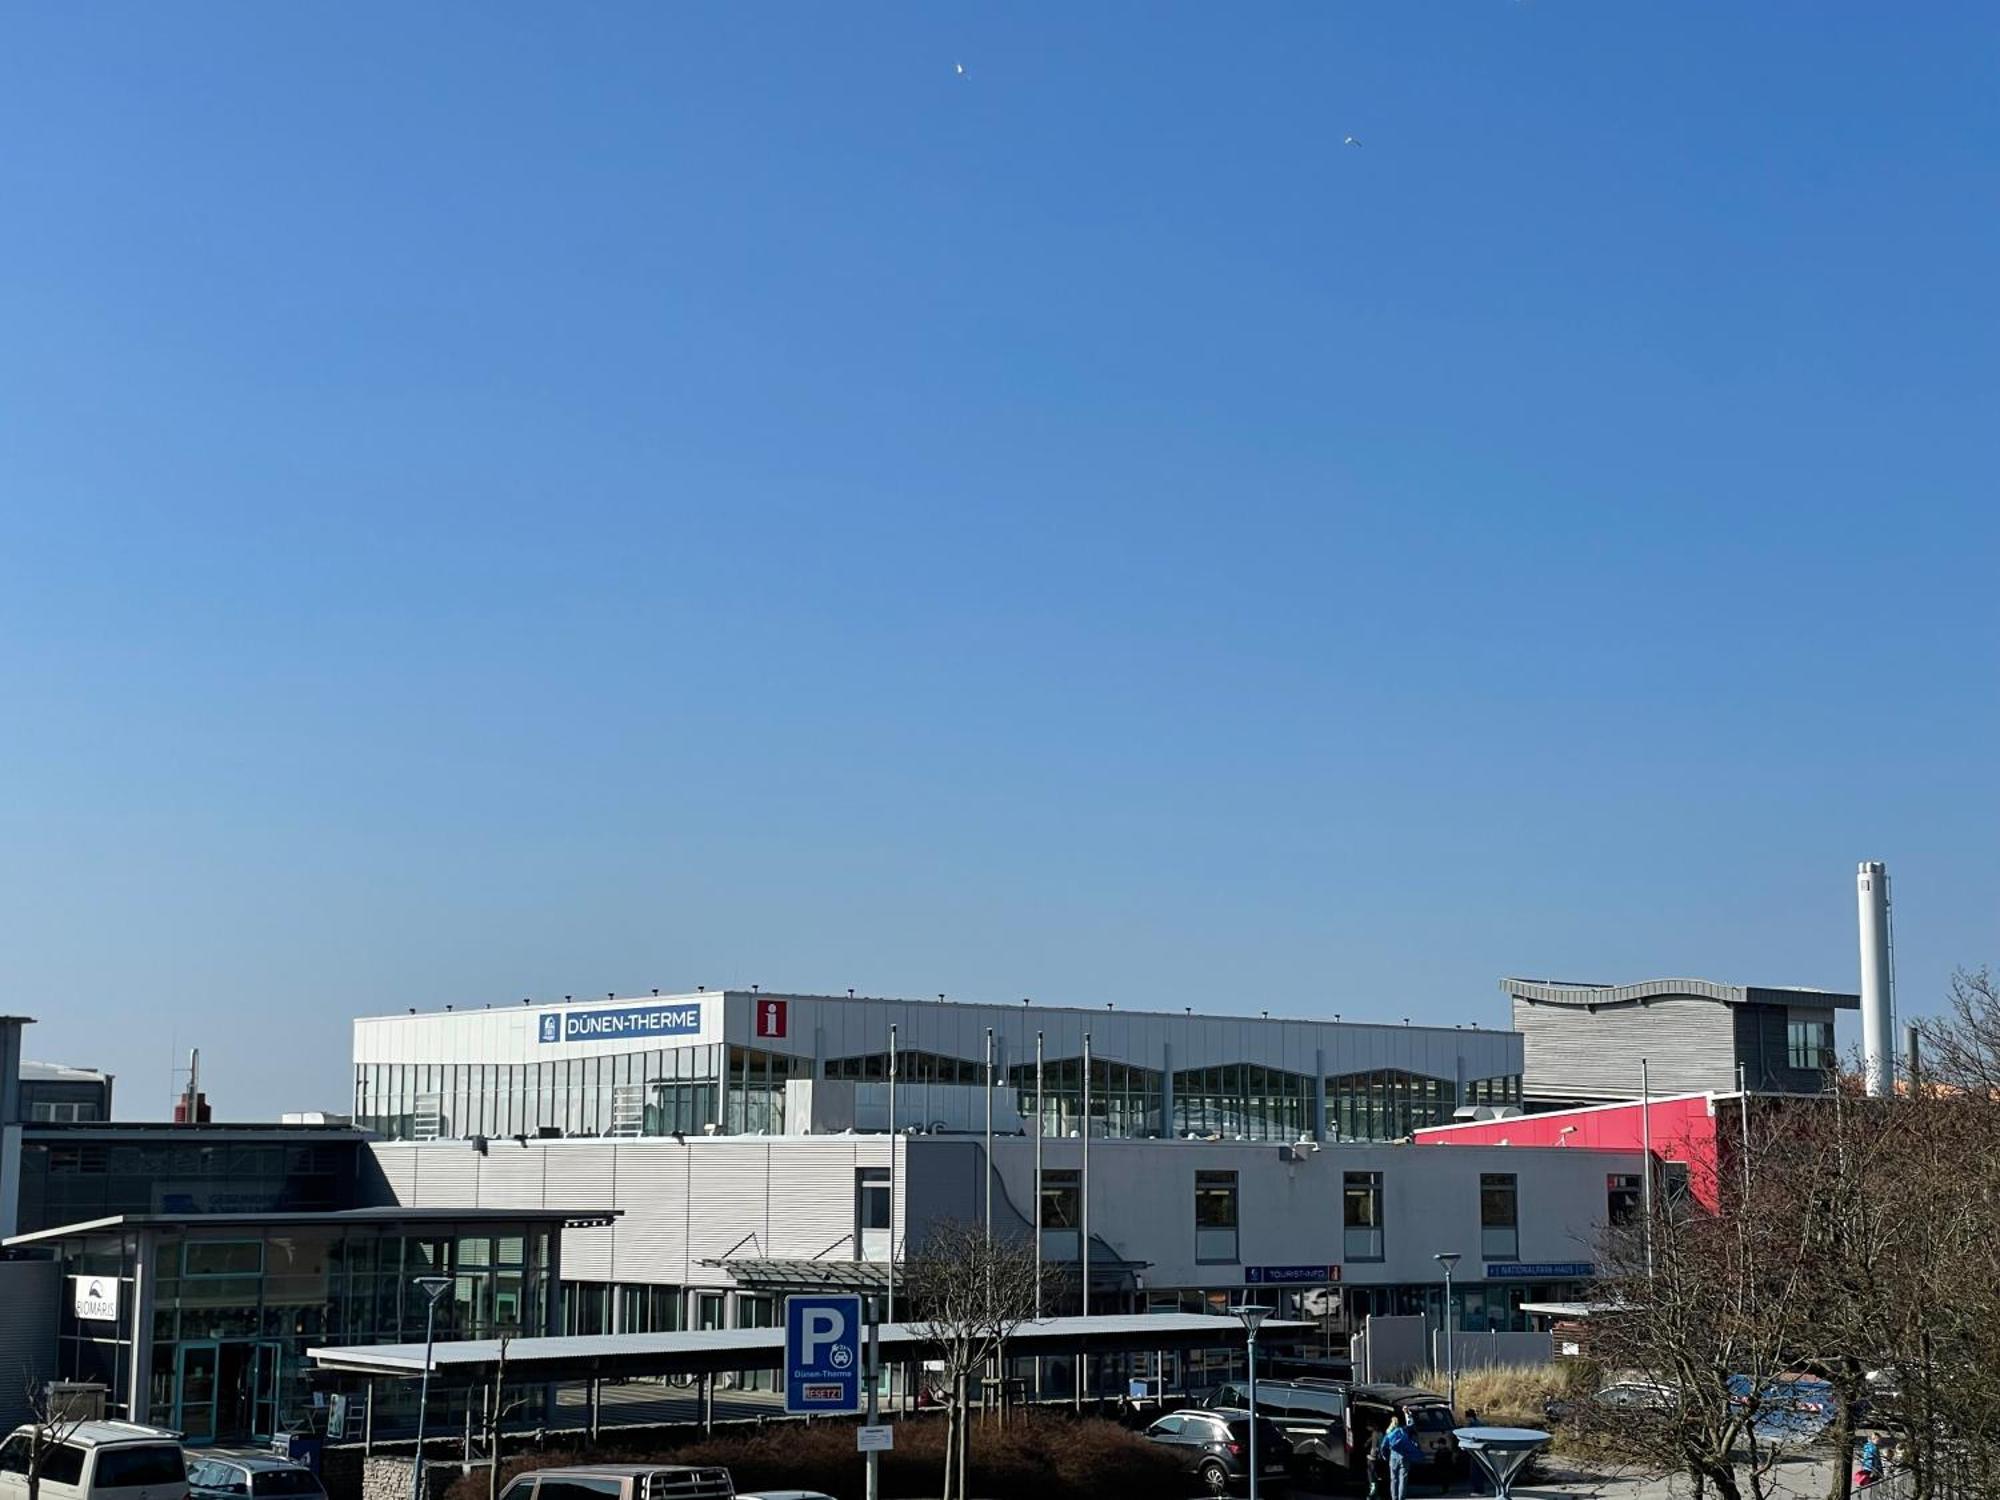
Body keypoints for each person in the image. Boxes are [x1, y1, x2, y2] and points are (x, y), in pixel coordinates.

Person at [1381, 1416, 1425, 1500]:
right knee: (1403, 1479)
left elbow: (1383, 1445)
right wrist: (1408, 1414)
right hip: (1405, 1457)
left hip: (1393, 1457)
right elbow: (1412, 1424)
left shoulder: (1389, 1432)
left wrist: (1384, 1456)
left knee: (1393, 1479)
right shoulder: (1404, 1430)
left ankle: (1394, 1498)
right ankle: (1401, 1498)